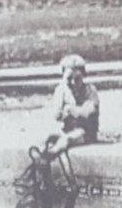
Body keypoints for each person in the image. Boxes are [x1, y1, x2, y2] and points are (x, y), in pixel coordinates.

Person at [27, 54, 100, 189]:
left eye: (77, 79)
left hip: (86, 132)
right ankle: (42, 171)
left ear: (83, 76)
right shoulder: (61, 90)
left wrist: (71, 109)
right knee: (48, 136)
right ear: (63, 77)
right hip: (68, 128)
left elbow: (87, 112)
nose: (73, 83)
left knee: (65, 141)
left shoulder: (90, 91)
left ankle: (45, 159)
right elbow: (57, 115)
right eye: (69, 79)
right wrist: (63, 112)